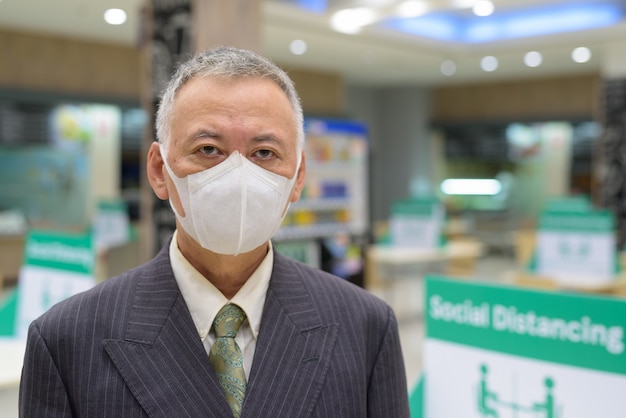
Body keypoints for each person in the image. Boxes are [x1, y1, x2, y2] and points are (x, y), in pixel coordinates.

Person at [19, 46, 410, 417]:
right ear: (159, 171)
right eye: (208, 149)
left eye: (264, 153)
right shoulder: (66, 341)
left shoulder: (366, 328)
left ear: (298, 177)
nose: (237, 175)